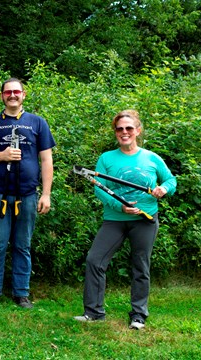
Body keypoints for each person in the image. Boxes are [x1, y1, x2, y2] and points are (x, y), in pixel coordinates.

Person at [74, 110, 176, 330]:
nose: (124, 132)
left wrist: (162, 189)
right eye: (119, 129)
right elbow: (99, 190)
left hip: (145, 220)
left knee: (141, 265)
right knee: (94, 260)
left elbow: (170, 180)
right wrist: (119, 205)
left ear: (138, 130)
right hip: (114, 219)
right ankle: (93, 312)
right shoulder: (106, 159)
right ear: (115, 133)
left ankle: (138, 315)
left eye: (129, 128)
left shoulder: (151, 157)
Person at [0, 78, 55, 309]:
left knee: (22, 245)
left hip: (27, 194)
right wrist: (1, 155)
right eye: (8, 92)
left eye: (16, 91)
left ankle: (21, 292)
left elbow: (46, 160)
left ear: (23, 95)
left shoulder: (38, 123)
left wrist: (45, 194)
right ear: (2, 96)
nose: (12, 95)